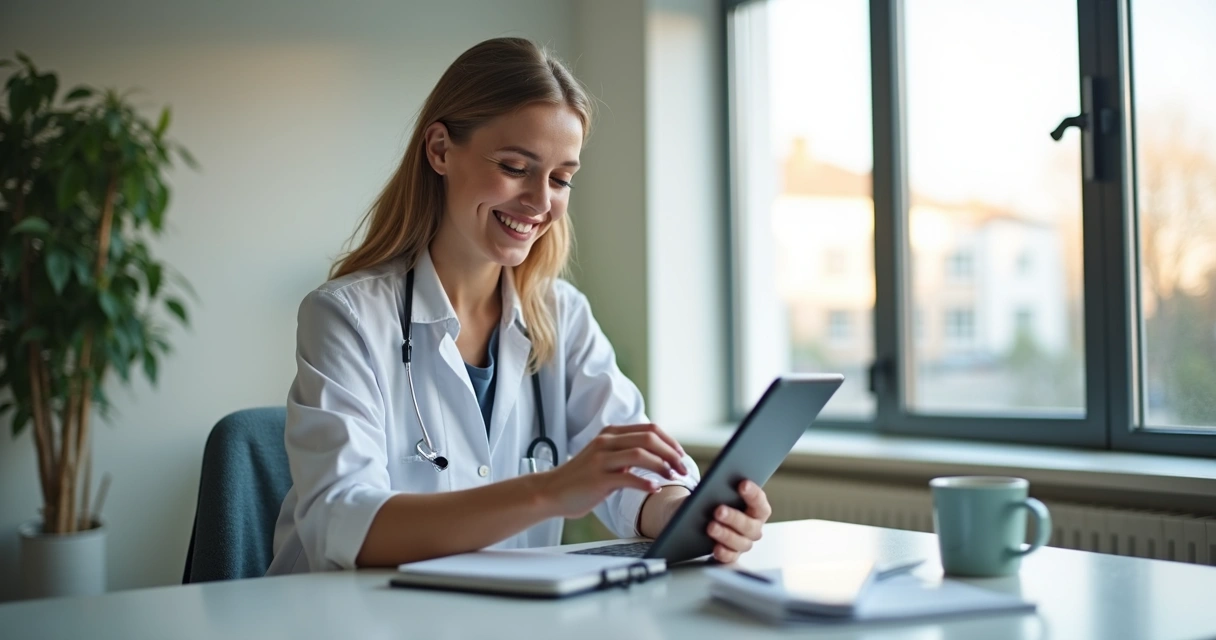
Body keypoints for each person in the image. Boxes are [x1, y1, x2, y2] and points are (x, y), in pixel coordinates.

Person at [266, 37, 771, 575]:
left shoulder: (561, 317)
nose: (540, 201)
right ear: (439, 150)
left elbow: (635, 475)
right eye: (514, 166)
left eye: (560, 179)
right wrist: (549, 492)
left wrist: (692, 514)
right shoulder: (345, 317)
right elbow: (342, 526)